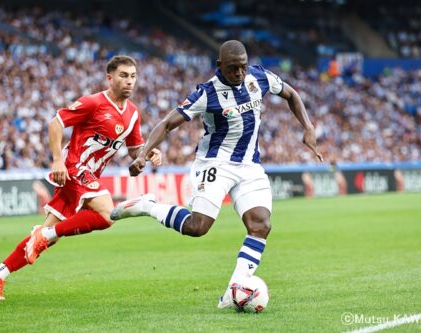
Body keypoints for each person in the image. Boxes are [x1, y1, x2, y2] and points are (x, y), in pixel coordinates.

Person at [111, 40, 323, 308]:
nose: (239, 73)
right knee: (197, 228)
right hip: (215, 164)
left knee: (261, 225)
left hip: (249, 166)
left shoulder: (259, 76)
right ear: (219, 66)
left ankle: (232, 293)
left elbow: (291, 94)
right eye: (233, 68)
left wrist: (308, 126)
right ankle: (147, 206)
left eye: (242, 67)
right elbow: (167, 124)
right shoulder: (207, 93)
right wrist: (142, 156)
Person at [0, 55, 162, 300]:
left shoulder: (133, 114)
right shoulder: (94, 103)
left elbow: (133, 151)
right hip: (73, 166)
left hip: (87, 175)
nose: (129, 81)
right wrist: (56, 160)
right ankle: (43, 236)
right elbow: (56, 123)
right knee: (107, 214)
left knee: (48, 235)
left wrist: (148, 153)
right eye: (123, 76)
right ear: (109, 78)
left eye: (133, 76)